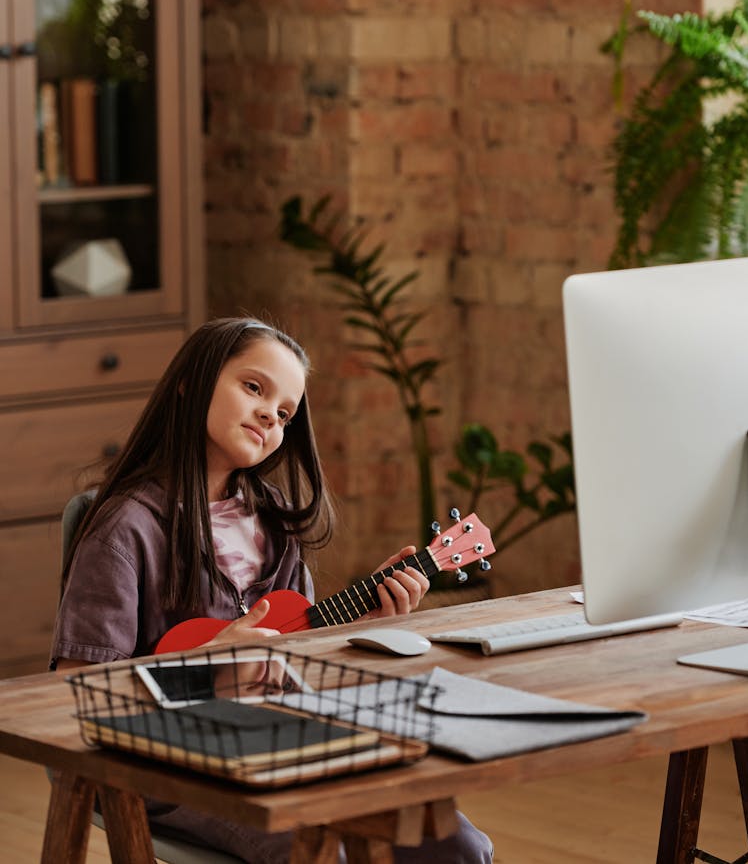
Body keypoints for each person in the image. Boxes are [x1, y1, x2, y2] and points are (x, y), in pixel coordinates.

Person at [51, 317, 492, 864]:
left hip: (280, 743)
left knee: (459, 846)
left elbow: (299, 661)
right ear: (193, 381)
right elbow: (73, 695)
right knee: (325, 852)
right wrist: (203, 669)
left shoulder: (276, 527)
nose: (269, 414)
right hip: (173, 766)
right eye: (254, 388)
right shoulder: (126, 530)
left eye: (285, 413)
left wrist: (361, 624)